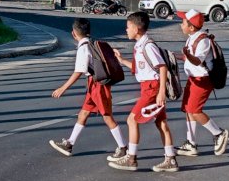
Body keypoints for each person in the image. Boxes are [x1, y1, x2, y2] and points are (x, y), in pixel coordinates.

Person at [107, 11, 177, 172]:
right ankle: (170, 159)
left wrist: (160, 93)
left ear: (137, 28)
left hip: (152, 89)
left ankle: (131, 158)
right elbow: (139, 68)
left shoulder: (148, 46)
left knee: (132, 120)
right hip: (149, 87)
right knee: (161, 123)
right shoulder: (140, 45)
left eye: (128, 27)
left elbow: (162, 67)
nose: (126, 30)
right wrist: (122, 60)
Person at [48, 18, 127, 158]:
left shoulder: (84, 48)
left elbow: (78, 71)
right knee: (83, 114)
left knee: (107, 116)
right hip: (94, 84)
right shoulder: (92, 43)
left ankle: (123, 148)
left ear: (73, 33)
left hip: (98, 86)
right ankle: (69, 144)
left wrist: (63, 88)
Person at [174, 9, 229, 158]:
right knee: (188, 109)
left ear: (191, 27)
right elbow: (190, 58)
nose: (181, 24)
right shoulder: (192, 37)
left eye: (183, 22)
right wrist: (176, 56)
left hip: (202, 80)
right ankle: (191, 143)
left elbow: (198, 60)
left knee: (195, 110)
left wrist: (187, 55)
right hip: (193, 79)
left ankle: (219, 133)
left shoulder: (203, 40)